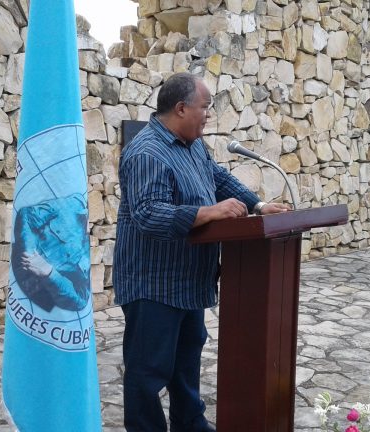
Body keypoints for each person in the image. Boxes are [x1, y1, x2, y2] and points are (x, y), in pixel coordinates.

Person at [113, 72, 290, 432]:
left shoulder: (193, 144)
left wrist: (257, 205)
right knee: (148, 373)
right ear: (180, 108)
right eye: (204, 107)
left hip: (189, 281)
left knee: (185, 363)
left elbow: (218, 178)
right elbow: (148, 214)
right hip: (154, 285)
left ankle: (189, 425)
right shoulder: (147, 152)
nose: (208, 115)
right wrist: (208, 212)